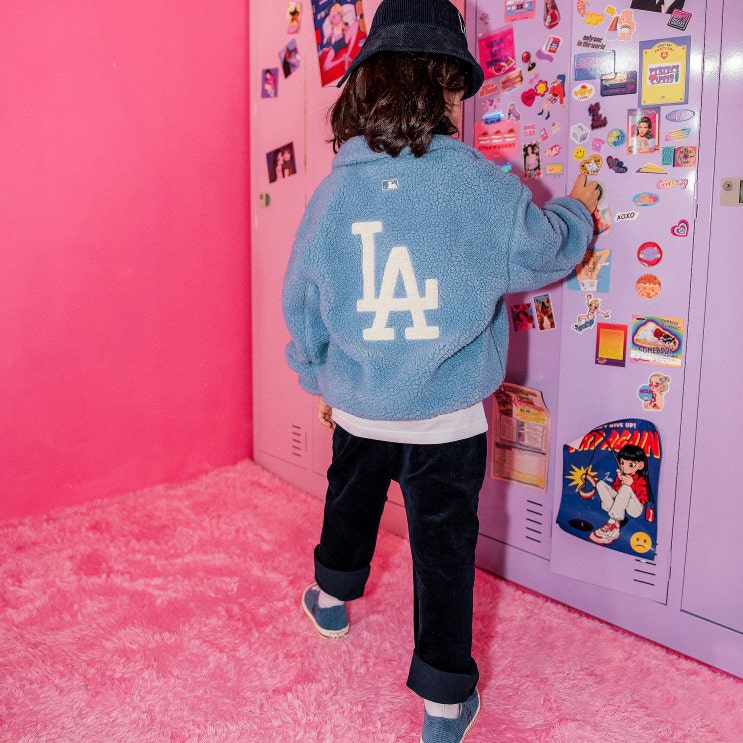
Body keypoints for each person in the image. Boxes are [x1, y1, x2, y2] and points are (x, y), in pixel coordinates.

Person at [281, 2, 599, 741]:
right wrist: (579, 213)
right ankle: (445, 702)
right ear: (449, 89)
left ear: (365, 88)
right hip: (448, 423)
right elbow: (545, 250)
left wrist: (316, 376)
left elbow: (303, 300)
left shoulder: (332, 193)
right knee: (444, 552)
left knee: (347, 508)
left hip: (360, 407)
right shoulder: (481, 186)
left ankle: (330, 598)